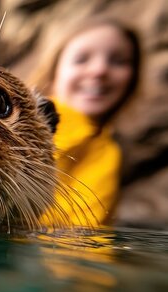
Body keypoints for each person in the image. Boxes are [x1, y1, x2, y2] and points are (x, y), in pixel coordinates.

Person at [30, 17, 142, 226]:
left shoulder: (108, 154)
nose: (100, 70)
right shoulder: (21, 121)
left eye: (119, 61)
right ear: (55, 72)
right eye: (81, 59)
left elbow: (84, 232)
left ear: (133, 79)